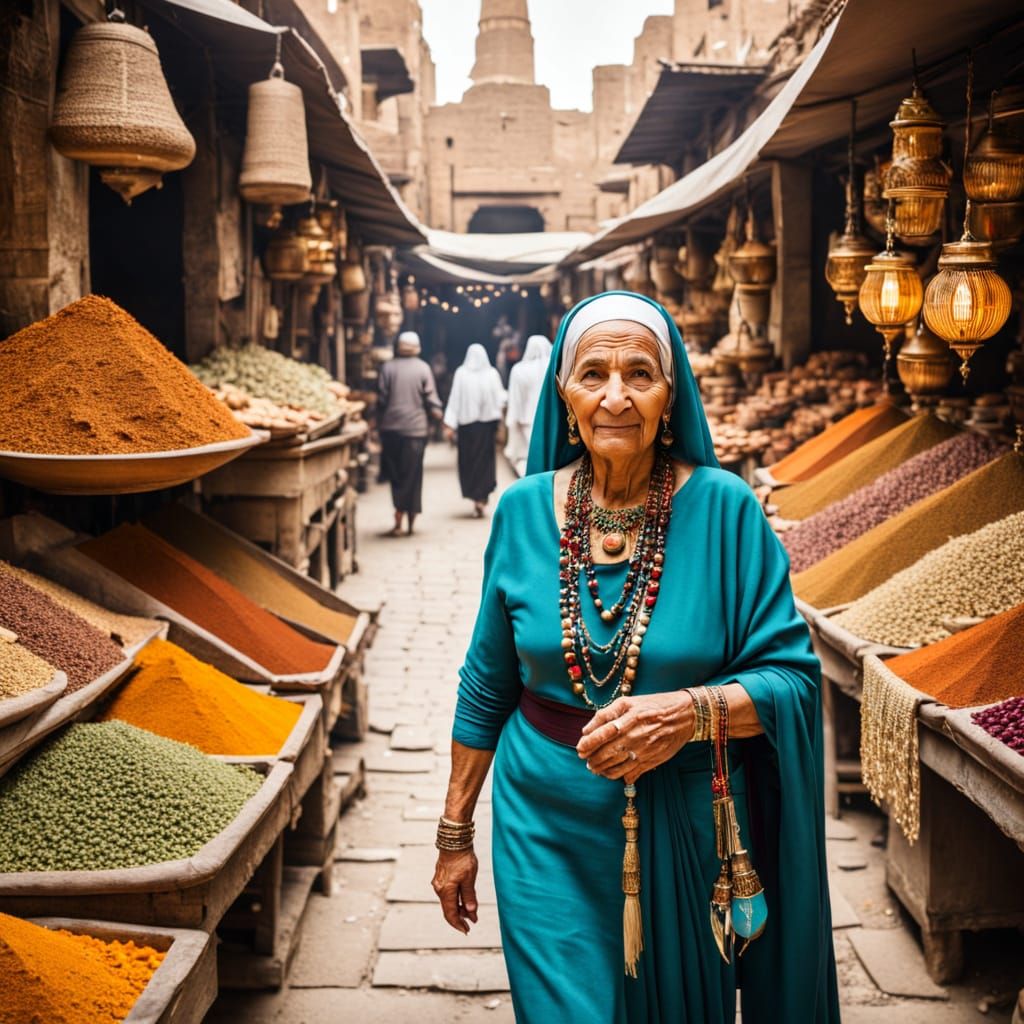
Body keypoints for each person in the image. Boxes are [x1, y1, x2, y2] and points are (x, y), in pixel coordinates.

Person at [432, 292, 839, 1023]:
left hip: (685, 815)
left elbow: (793, 681)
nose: (615, 397)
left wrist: (688, 714)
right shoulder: (521, 509)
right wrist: (454, 833)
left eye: (640, 374)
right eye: (593, 374)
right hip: (542, 820)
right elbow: (487, 683)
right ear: (564, 393)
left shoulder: (727, 510)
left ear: (669, 395)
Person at [377, 331, 442, 536]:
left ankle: (398, 518)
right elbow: (431, 399)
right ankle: (411, 520)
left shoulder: (387, 368)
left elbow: (382, 398)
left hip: (391, 430)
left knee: (396, 476)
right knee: (413, 475)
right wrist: (437, 414)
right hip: (415, 431)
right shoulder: (423, 368)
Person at [443, 344, 507, 518]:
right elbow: (500, 397)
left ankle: (476, 498)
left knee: (469, 462)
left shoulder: (461, 374)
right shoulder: (491, 374)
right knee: (485, 462)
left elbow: (454, 400)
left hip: (467, 429)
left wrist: (450, 424)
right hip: (486, 428)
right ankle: (482, 498)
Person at [503, 333, 551, 477]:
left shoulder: (519, 370)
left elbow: (515, 397)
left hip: (526, 419)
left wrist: (512, 420)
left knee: (528, 456)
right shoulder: (554, 367)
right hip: (550, 418)